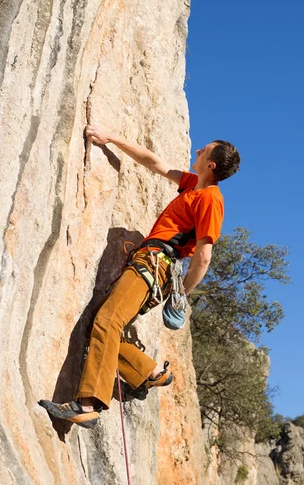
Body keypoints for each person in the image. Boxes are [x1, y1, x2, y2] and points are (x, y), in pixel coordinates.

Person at [39, 124, 240, 428]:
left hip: (156, 263)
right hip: (151, 262)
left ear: (210, 165)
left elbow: (204, 255)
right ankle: (146, 372)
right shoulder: (191, 185)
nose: (197, 150)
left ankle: (88, 405)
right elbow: (154, 162)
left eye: (204, 150)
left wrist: (181, 294)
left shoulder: (210, 199)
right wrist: (113, 137)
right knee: (105, 324)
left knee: (108, 321)